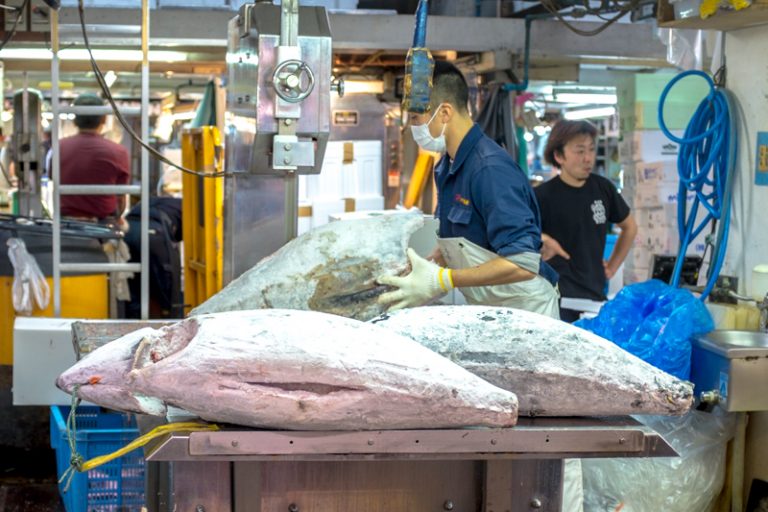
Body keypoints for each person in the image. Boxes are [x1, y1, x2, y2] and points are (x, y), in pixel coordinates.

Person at [378, 61, 559, 319]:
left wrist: (443, 279)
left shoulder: (489, 170)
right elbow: (465, 241)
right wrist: (423, 268)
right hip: (492, 307)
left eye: (416, 118)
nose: (412, 126)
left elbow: (523, 262)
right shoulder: (446, 167)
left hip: (527, 311)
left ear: (444, 113)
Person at [535, 120, 638, 322]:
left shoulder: (603, 189)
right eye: (579, 151)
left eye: (591, 150)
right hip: (555, 298)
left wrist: (612, 266)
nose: (588, 158)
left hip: (593, 297)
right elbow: (521, 234)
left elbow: (630, 227)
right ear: (558, 156)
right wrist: (543, 238)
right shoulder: (541, 196)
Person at [60, 93, 130, 226]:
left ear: (74, 120)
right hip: (103, 228)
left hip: (64, 226)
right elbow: (121, 199)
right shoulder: (118, 151)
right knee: (123, 246)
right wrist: (118, 218)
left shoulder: (59, 148)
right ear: (104, 119)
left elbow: (53, 178)